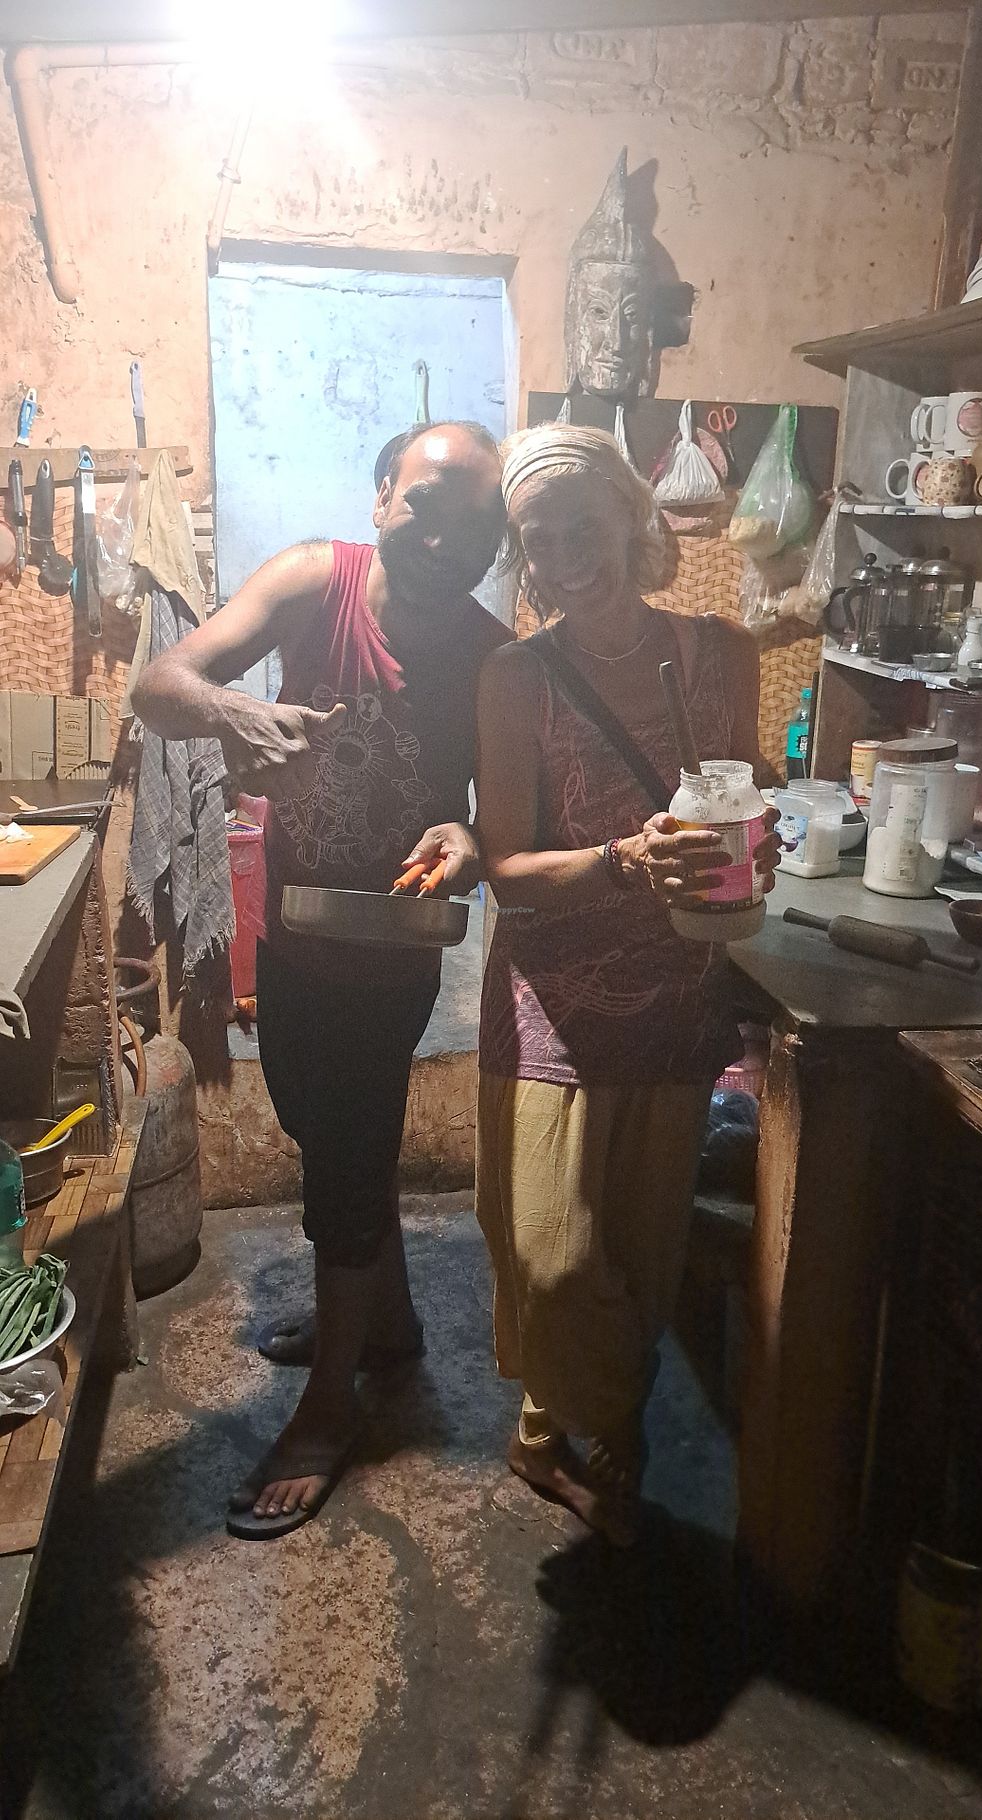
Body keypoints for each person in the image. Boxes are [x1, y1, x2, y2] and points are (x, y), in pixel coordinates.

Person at [133, 422, 508, 1539]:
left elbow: (506, 818)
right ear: (382, 492)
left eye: (478, 520)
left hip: (391, 952)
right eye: (426, 501)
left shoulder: (496, 657)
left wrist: (471, 837)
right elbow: (160, 684)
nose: (447, 536)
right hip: (294, 932)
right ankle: (387, 1326)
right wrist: (236, 710)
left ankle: (330, 1406)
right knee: (321, 1126)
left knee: (346, 1156)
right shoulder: (313, 581)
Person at [473, 423, 780, 1546]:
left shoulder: (722, 653)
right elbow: (506, 869)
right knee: (553, 1257)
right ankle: (596, 1411)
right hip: (552, 1003)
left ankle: (564, 1433)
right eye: (536, 538)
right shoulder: (516, 677)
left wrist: (759, 840)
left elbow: (745, 787)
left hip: (678, 994)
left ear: (631, 518)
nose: (562, 557)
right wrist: (621, 859)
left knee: (644, 1255)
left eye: (581, 527)